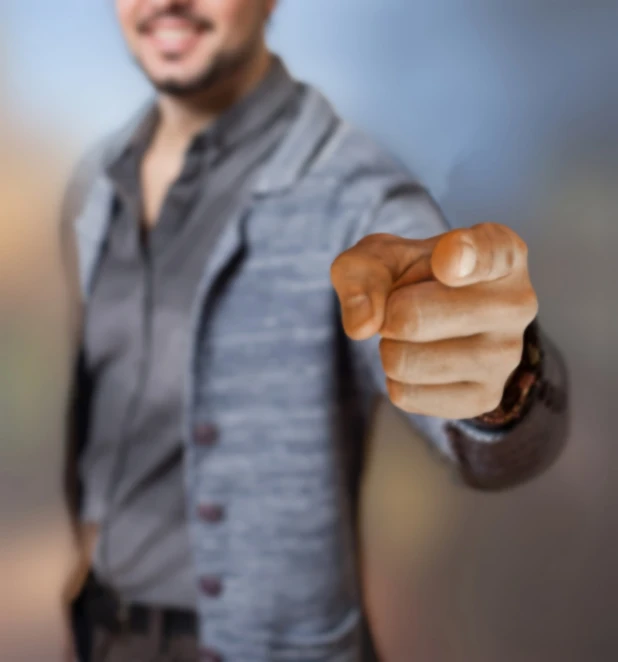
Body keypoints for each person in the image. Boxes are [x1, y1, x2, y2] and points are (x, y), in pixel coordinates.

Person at [59, 1, 569, 660]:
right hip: (107, 632)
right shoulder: (100, 182)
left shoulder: (356, 192)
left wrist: (505, 381)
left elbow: (495, 403)